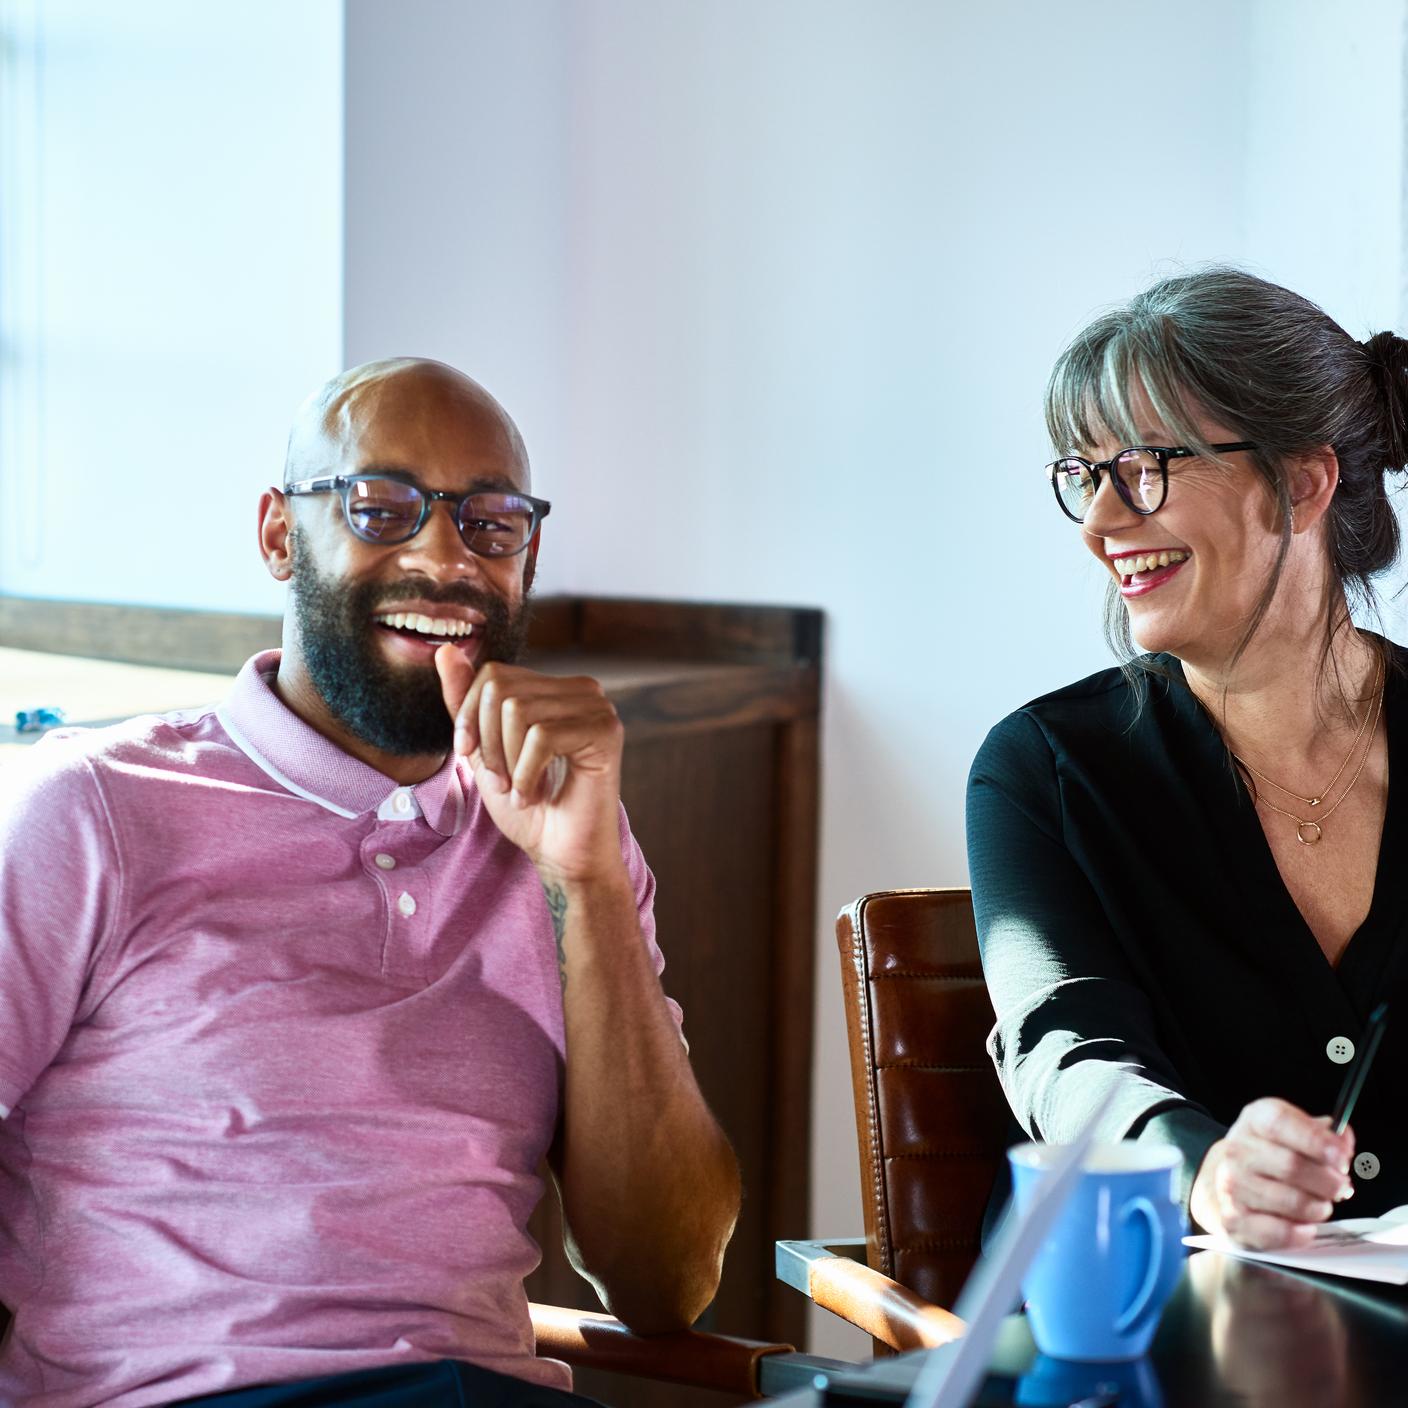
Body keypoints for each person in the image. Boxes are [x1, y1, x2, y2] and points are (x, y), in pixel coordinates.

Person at [0, 359, 741, 1407]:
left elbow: (668, 1285)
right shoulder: (93, 812)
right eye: (381, 507)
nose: (444, 554)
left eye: (490, 522)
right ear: (276, 534)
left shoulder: (567, 835)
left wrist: (587, 880)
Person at [967, 268, 1408, 1254]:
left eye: (1144, 465)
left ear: (1302, 478)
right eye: (1084, 475)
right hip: (1138, 1329)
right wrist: (1201, 1167)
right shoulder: (1043, 768)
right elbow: (1068, 1053)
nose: (1099, 522)